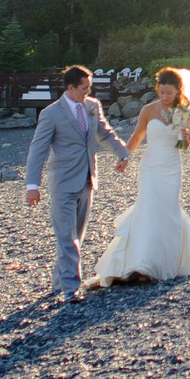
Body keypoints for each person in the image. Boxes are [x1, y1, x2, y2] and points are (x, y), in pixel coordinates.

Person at [92, 67, 190, 287]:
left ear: (177, 92)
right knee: (148, 208)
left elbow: (183, 146)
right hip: (150, 167)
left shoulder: (185, 113)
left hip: (171, 167)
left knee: (168, 209)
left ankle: (167, 260)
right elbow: (137, 137)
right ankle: (141, 263)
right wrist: (124, 157)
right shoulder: (148, 110)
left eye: (169, 94)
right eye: (161, 93)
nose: (164, 98)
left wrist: (184, 135)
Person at [24, 64, 129, 302]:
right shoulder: (51, 113)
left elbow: (105, 133)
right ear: (70, 88)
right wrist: (32, 186)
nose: (87, 92)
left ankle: (58, 283)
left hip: (87, 179)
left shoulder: (93, 107)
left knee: (76, 236)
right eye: (84, 88)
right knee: (66, 237)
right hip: (61, 182)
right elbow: (38, 149)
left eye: (88, 88)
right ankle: (71, 289)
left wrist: (122, 153)